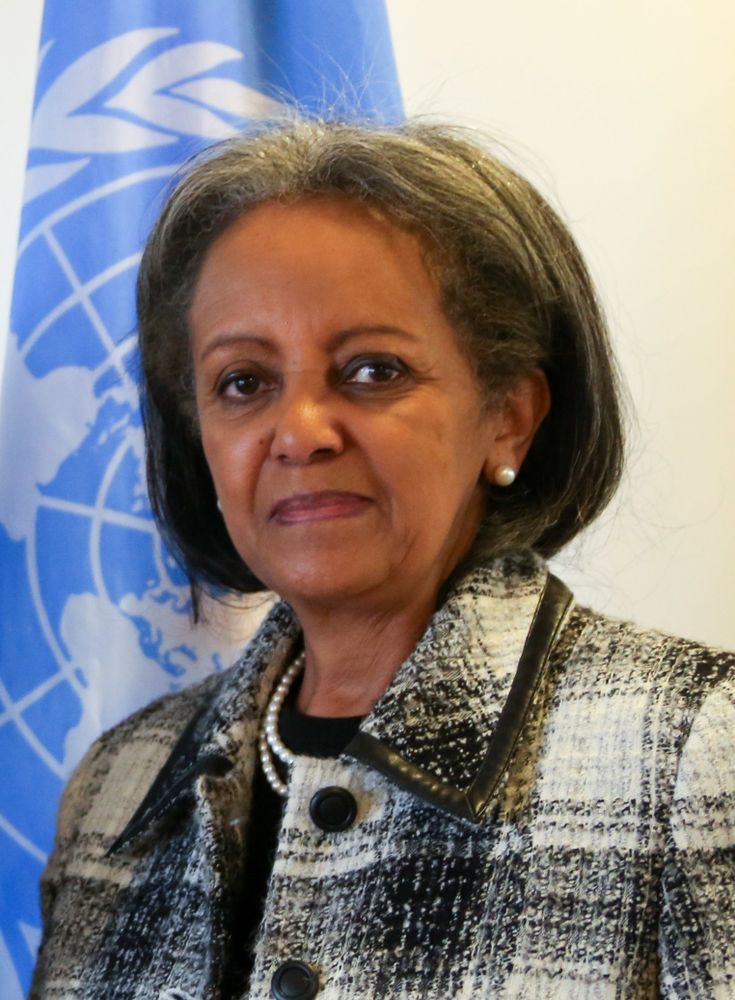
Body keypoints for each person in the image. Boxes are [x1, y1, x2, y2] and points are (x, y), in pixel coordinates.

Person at [30, 119, 734, 1000]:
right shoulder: (113, 790)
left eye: (371, 370)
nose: (300, 433)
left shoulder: (698, 748)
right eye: (243, 383)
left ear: (507, 416)